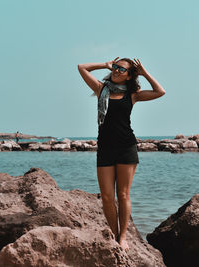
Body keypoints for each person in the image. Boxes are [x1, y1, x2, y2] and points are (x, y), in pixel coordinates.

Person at [78, 57, 165, 250]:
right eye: (115, 67)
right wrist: (104, 65)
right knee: (107, 196)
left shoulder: (133, 94)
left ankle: (123, 237)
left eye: (121, 69)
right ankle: (114, 234)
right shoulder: (102, 89)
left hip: (126, 147)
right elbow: (82, 68)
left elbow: (160, 91)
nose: (117, 71)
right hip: (105, 148)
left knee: (123, 194)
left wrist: (144, 72)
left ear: (129, 76)